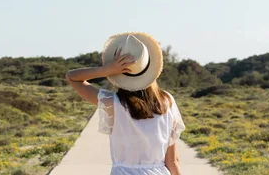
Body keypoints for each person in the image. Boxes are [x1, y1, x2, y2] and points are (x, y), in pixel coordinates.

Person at [66, 32, 186, 175]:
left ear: (118, 73)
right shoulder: (166, 101)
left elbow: (72, 77)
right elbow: (172, 161)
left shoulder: (112, 103)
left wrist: (105, 70)